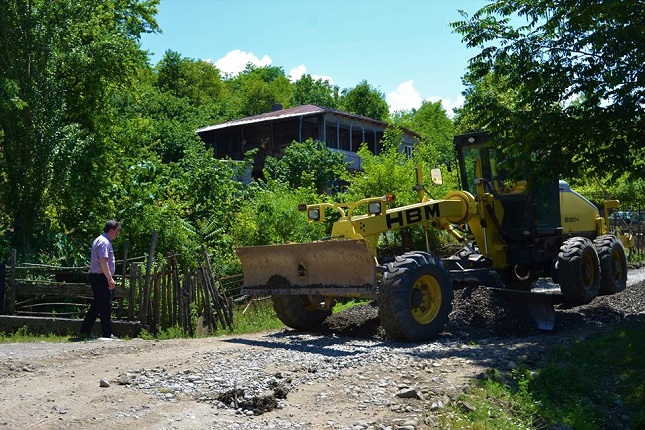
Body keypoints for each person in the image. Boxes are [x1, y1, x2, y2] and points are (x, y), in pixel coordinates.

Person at [79, 220, 121, 339]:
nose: (118, 233)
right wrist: (110, 279)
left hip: (98, 277)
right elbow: (103, 262)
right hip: (101, 277)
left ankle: (84, 331)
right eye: (117, 231)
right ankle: (107, 334)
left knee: (97, 305)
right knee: (105, 306)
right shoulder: (104, 242)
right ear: (111, 230)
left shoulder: (100, 240)